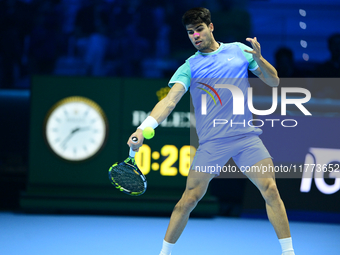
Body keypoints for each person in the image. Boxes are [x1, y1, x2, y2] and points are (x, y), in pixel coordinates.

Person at [127, 7, 295, 255]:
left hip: (245, 137)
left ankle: (289, 252)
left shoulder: (239, 50)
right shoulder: (190, 66)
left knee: (270, 189)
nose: (195, 35)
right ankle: (164, 253)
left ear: (211, 27)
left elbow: (274, 81)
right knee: (189, 200)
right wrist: (143, 128)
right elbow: (170, 101)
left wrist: (259, 59)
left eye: (199, 29)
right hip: (212, 143)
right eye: (190, 32)